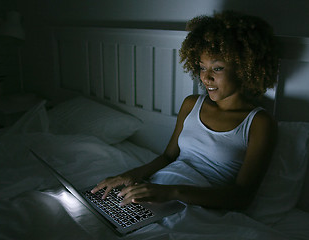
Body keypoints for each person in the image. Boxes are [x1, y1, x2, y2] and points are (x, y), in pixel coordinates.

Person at [92, 11, 279, 210]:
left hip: (196, 206)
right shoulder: (192, 104)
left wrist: (171, 192)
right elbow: (168, 157)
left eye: (217, 69)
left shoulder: (259, 122)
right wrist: (131, 175)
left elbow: (241, 197)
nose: (206, 78)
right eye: (201, 67)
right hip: (157, 189)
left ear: (244, 68)